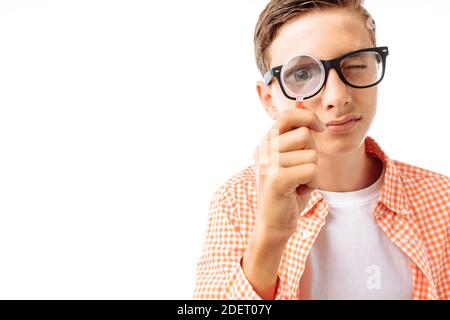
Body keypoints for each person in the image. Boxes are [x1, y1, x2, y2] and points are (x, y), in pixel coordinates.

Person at [193, 0, 450, 300]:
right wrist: (270, 234)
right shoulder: (237, 202)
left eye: (355, 64)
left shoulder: (441, 200)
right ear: (268, 99)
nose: (337, 97)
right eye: (303, 74)